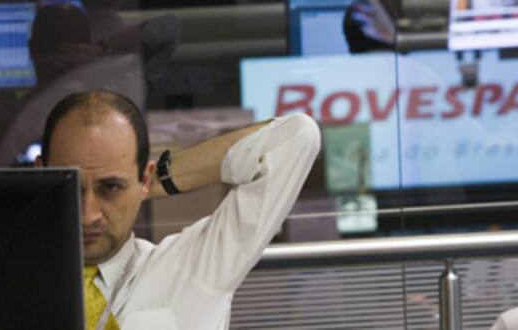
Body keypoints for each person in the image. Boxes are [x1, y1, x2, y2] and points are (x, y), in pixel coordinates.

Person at [34, 89, 320, 330]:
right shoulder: (14, 281)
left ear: (143, 179)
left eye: (111, 187)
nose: (88, 215)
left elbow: (296, 137)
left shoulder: (193, 269)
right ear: (40, 175)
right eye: (70, 187)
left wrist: (158, 182)